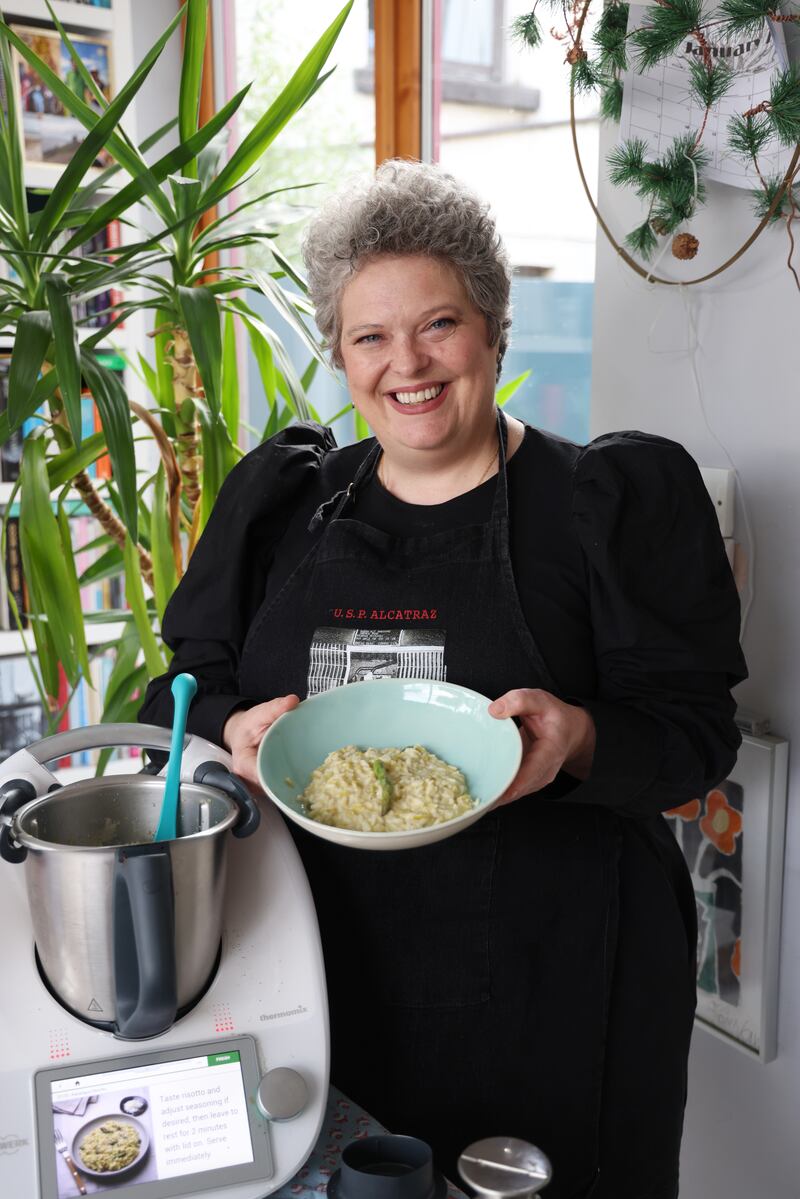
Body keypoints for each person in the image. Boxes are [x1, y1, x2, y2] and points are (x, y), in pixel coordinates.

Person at [139, 160, 747, 1198]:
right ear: (337, 352)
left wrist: (578, 738)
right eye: (370, 335)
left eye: (439, 324)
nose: (405, 364)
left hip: (557, 990)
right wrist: (232, 730)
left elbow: (694, 732)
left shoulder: (602, 502)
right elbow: (178, 698)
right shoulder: (283, 506)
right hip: (319, 976)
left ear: (492, 327)